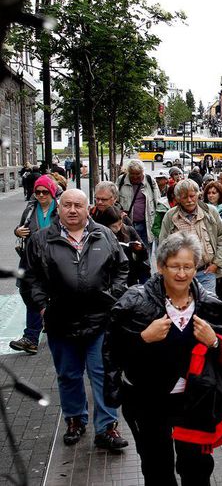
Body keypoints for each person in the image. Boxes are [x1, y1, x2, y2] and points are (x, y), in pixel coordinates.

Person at [104, 232, 222, 485]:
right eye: (175, 266)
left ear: (196, 267)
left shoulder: (210, 306)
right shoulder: (135, 302)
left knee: (197, 467)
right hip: (148, 400)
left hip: (195, 401)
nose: (181, 274)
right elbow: (113, 350)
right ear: (160, 266)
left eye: (188, 266)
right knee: (156, 466)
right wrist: (143, 338)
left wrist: (214, 342)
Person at [22, 189, 130, 449]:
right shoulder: (40, 240)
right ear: (59, 208)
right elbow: (29, 278)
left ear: (87, 209)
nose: (72, 210)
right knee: (69, 375)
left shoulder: (103, 235)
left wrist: (112, 297)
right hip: (60, 321)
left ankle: (106, 427)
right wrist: (43, 306)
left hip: (100, 320)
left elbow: (122, 268)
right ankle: (75, 420)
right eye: (67, 205)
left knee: (102, 374)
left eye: (78, 205)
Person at [9, 175, 59, 355]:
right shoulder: (30, 210)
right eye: (37, 192)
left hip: (55, 261)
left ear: (52, 192)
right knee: (32, 295)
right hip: (32, 261)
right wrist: (17, 231)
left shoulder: (60, 209)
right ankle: (30, 338)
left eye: (45, 191)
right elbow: (21, 228)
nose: (40, 195)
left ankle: (54, 330)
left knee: (56, 296)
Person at [159, 179, 222, 295]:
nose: (189, 200)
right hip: (180, 274)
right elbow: (163, 244)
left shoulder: (210, 212)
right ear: (178, 198)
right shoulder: (170, 216)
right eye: (185, 197)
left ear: (198, 194)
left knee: (206, 308)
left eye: (192, 196)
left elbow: (221, 235)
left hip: (205, 272)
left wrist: (216, 263)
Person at [94, 205, 150, 286]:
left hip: (129, 274)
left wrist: (139, 249)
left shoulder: (129, 230)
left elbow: (144, 255)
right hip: (109, 275)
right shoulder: (101, 234)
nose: (118, 228)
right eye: (114, 226)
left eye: (120, 224)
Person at [116, 159, 161, 251]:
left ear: (142, 172)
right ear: (128, 172)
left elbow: (158, 202)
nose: (135, 177)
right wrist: (119, 212)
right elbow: (115, 200)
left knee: (145, 252)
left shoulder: (149, 181)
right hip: (127, 224)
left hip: (146, 224)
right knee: (127, 252)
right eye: (132, 174)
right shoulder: (121, 180)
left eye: (138, 174)